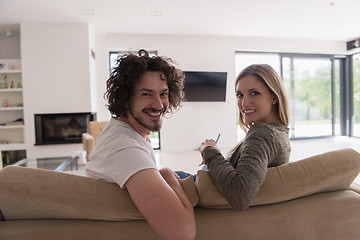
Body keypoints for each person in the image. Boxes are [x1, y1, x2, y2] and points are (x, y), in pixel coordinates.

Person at [85, 50, 196, 240]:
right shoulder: (125, 148)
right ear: (126, 99)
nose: (159, 104)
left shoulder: (128, 133)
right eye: (147, 94)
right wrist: (168, 175)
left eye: (163, 94)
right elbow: (182, 233)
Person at [198, 64, 291, 211]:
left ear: (274, 97)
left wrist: (209, 151)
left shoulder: (262, 133)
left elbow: (240, 194)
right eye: (240, 95)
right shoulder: (281, 133)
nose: (244, 103)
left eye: (254, 93)